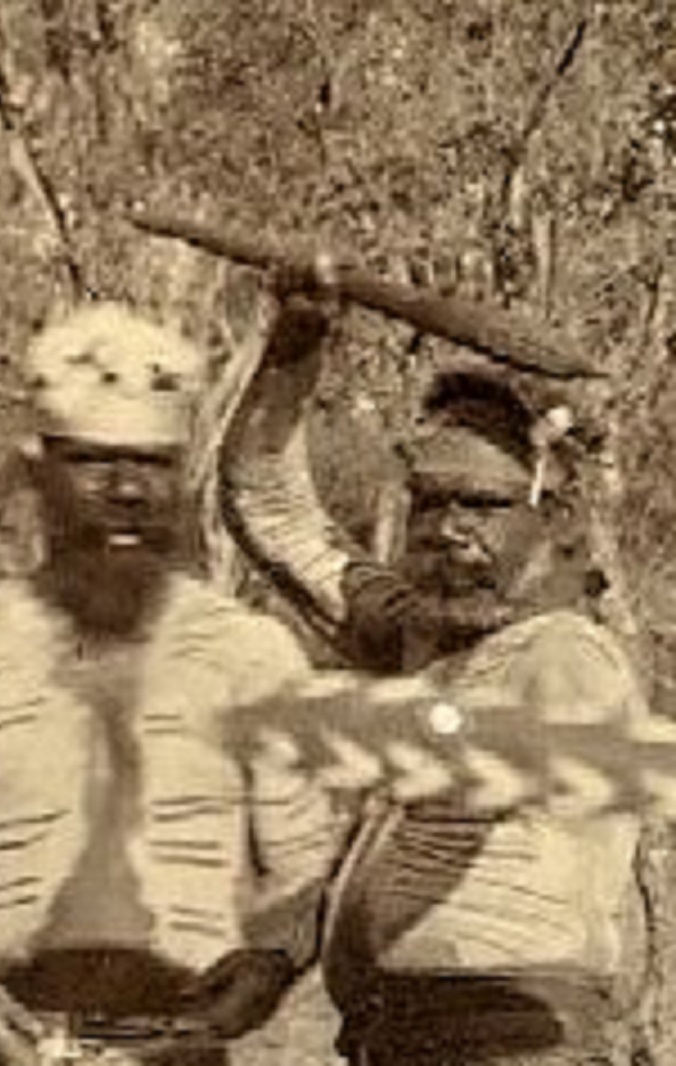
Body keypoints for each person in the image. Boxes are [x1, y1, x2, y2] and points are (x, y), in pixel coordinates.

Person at [221, 268, 649, 1066]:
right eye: (429, 502)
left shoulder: (569, 655)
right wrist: (294, 348)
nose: (448, 531)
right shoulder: (427, 642)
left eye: (482, 507)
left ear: (554, 520)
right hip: (395, 1039)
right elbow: (271, 511)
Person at [0, 302, 343, 1066]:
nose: (126, 489)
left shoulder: (250, 655)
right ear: (35, 471)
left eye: (153, 464)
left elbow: (308, 869)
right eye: (90, 460)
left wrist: (267, 971)